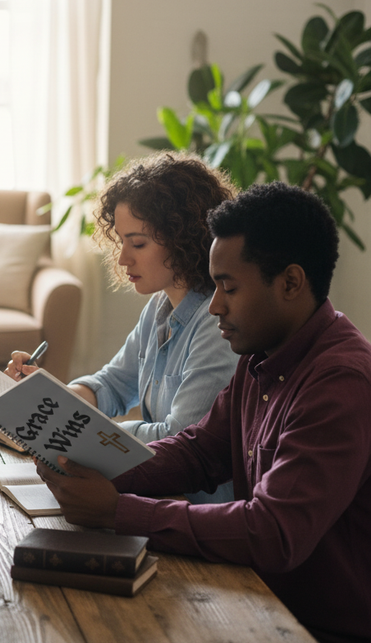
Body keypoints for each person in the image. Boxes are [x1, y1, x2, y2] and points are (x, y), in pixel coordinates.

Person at [37, 183, 371, 643]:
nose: (213, 307)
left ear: (291, 283)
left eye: (228, 288)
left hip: (315, 626)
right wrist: (97, 468)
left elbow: (272, 531)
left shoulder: (342, 383)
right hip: (257, 597)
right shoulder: (261, 358)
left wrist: (119, 513)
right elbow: (197, 451)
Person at [6, 153, 238, 502]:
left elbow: (179, 437)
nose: (123, 258)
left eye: (138, 243)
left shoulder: (215, 323)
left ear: (184, 237)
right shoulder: (159, 308)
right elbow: (111, 386)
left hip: (191, 510)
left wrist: (89, 434)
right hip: (154, 493)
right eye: (122, 241)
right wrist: (50, 399)